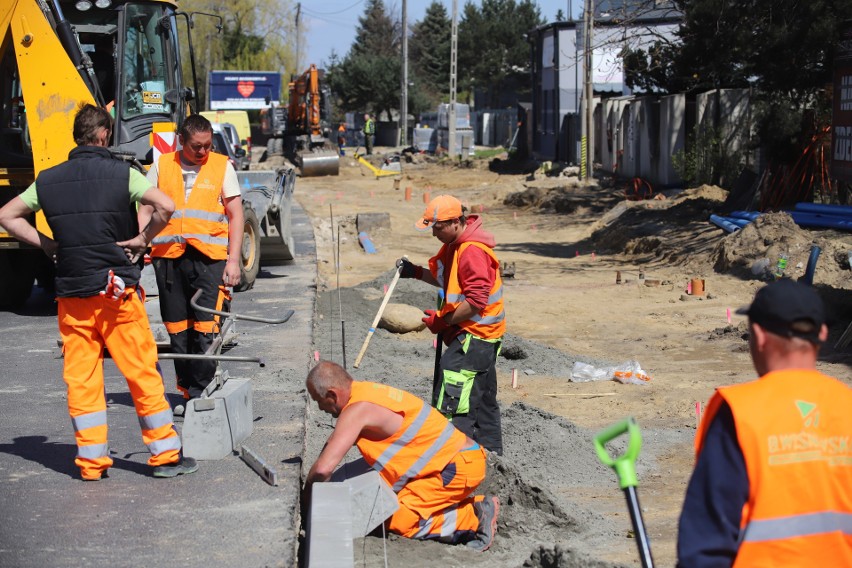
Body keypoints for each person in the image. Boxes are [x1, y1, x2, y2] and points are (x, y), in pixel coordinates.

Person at [0, 104, 197, 479]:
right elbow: (166, 205)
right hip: (116, 292)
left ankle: (91, 464)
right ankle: (164, 456)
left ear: (77, 136)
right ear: (104, 135)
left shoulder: (48, 179)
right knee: (140, 371)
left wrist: (46, 244)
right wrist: (142, 238)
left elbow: (7, 215)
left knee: (82, 377)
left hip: (73, 295)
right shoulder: (122, 174)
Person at [677, 279, 852, 567]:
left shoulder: (741, 412)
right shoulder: (847, 406)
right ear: (821, 334)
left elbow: (706, 543)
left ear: (758, 335)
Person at [304, 361, 500, 551]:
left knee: (395, 518)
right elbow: (331, 446)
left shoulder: (357, 411)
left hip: (456, 468)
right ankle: (461, 507)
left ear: (332, 395)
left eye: (319, 401)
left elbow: (323, 469)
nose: (321, 408)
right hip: (447, 463)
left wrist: (306, 503)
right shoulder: (365, 393)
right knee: (365, 493)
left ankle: (473, 517)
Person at [140, 114, 244, 402]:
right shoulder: (162, 165)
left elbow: (236, 215)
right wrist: (138, 243)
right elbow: (146, 209)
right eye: (196, 146)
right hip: (169, 260)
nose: (202, 152)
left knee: (206, 327)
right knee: (177, 329)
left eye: (207, 145)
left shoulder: (222, 167)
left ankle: (202, 391)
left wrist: (233, 262)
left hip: (209, 260)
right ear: (181, 141)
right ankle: (187, 391)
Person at [397, 195, 506, 455]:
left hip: (474, 338)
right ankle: (492, 460)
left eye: (438, 227)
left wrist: (442, 320)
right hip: (480, 339)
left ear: (456, 222)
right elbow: (448, 281)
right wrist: (415, 272)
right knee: (483, 404)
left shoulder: (471, 251)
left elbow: (476, 301)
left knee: (453, 406)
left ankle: (455, 467)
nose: (434, 233)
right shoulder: (456, 245)